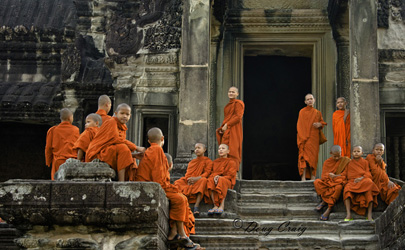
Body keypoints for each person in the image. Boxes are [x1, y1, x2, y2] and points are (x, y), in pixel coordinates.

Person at [135, 128, 202, 250]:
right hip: (149, 187)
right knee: (180, 199)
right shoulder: (157, 151)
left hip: (149, 184)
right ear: (162, 139)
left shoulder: (152, 150)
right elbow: (158, 178)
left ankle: (174, 234)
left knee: (181, 197)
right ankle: (181, 234)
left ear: (149, 141)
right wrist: (171, 188)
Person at [86, 103, 145, 181]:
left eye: (127, 114)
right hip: (97, 152)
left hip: (107, 151)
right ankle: (121, 182)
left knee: (130, 157)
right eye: (122, 113)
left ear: (130, 116)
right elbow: (115, 139)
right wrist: (136, 147)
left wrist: (134, 155)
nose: (125, 116)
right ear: (116, 113)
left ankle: (130, 180)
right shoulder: (112, 121)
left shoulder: (122, 127)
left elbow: (116, 148)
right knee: (123, 148)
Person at [342, 146, 379, 221]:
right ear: (352, 153)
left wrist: (361, 178)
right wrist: (336, 176)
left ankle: (369, 215)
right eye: (354, 151)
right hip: (352, 182)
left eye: (358, 151)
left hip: (363, 180)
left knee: (369, 185)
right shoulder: (349, 163)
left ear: (362, 153)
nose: (356, 153)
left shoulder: (365, 162)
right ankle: (348, 214)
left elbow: (368, 173)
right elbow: (344, 174)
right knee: (347, 189)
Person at [314, 145, 350, 221]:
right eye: (334, 156)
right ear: (330, 153)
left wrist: (335, 176)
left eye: (338, 156)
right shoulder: (327, 162)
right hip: (329, 182)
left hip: (338, 181)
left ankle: (329, 208)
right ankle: (324, 201)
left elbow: (346, 175)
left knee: (338, 187)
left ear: (341, 153)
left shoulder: (345, 161)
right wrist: (330, 177)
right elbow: (324, 176)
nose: (337, 158)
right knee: (317, 182)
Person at [175, 143, 212, 216]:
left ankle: (196, 206)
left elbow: (207, 173)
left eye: (199, 148)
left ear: (204, 150)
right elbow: (188, 174)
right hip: (190, 180)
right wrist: (189, 180)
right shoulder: (192, 162)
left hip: (199, 180)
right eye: (195, 148)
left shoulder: (208, 161)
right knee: (178, 182)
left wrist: (196, 179)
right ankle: (184, 203)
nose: (197, 150)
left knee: (204, 180)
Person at [297, 93, 327, 181]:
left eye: (311, 99)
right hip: (304, 138)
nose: (310, 100)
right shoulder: (302, 112)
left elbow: (321, 122)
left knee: (313, 158)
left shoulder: (317, 112)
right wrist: (303, 138)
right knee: (304, 158)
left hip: (314, 138)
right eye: (308, 99)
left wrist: (320, 124)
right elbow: (299, 125)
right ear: (305, 102)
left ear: (314, 100)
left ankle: (313, 178)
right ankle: (303, 178)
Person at [45, 108, 80, 180]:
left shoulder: (53, 130)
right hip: (71, 161)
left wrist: (48, 161)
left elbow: (48, 148)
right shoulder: (75, 129)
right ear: (70, 118)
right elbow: (78, 146)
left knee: (57, 183)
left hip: (58, 161)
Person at [205, 144, 238, 215]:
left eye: (223, 148)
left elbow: (231, 175)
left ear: (228, 151)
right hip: (216, 178)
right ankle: (215, 205)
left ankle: (221, 205)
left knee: (221, 180)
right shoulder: (215, 162)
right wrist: (215, 177)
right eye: (219, 149)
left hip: (226, 180)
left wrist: (220, 177)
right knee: (209, 180)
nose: (220, 150)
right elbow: (211, 173)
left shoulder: (231, 162)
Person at [216, 86, 245, 167]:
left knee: (233, 149)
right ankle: (224, 169)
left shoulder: (239, 103)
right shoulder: (228, 105)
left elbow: (238, 117)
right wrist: (223, 128)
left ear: (237, 94)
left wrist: (227, 125)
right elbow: (227, 118)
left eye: (233, 92)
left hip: (235, 129)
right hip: (227, 129)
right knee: (224, 148)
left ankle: (234, 172)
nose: (231, 93)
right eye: (229, 92)